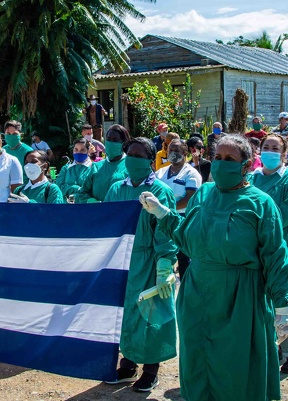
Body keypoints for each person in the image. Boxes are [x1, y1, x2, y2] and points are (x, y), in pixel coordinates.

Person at [140, 134, 288, 401]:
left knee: (234, 369)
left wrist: (282, 306)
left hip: (239, 299)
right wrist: (163, 213)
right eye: (218, 157)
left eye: (229, 159)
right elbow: (187, 237)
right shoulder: (204, 194)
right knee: (198, 363)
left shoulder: (260, 203)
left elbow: (276, 256)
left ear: (246, 166)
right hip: (197, 294)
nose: (221, 164)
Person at [103, 138, 177, 393]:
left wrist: (164, 266)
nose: (133, 159)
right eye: (130, 154)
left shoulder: (160, 191)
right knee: (126, 315)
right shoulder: (116, 189)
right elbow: (107, 222)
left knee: (150, 314)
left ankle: (151, 370)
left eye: (139, 155)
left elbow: (165, 231)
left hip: (148, 261)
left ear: (150, 160)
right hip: (122, 261)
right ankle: (128, 364)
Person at [249, 133, 288, 373]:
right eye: (267, 147)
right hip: (257, 246)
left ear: (284, 154)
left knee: (286, 294)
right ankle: (273, 347)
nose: (270, 152)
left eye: (276, 148)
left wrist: (259, 228)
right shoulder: (252, 178)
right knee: (262, 295)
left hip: (286, 244)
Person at [76, 124, 131, 203]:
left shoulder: (130, 167)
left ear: (124, 144)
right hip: (97, 210)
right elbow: (81, 193)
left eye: (115, 140)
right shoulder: (96, 167)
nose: (111, 143)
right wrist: (90, 201)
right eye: (108, 139)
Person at [155, 139, 201, 213]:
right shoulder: (159, 172)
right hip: (159, 214)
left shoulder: (191, 173)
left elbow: (190, 199)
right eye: (170, 150)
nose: (172, 153)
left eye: (176, 151)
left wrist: (168, 208)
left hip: (181, 216)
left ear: (184, 154)